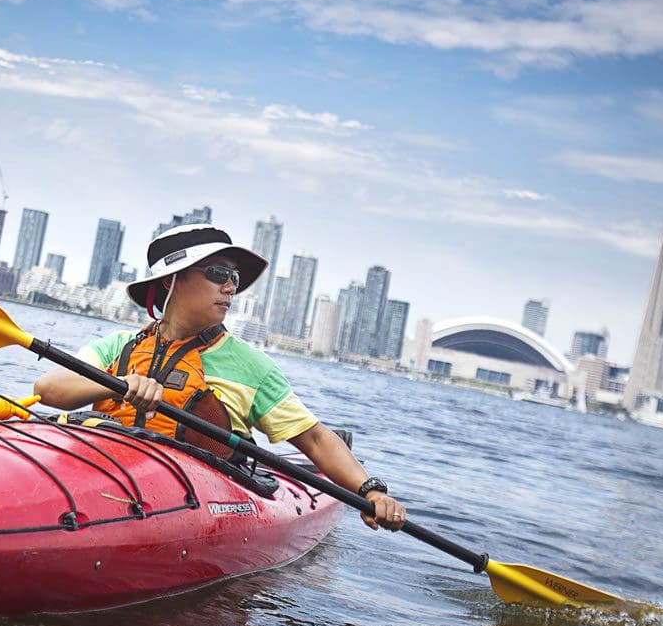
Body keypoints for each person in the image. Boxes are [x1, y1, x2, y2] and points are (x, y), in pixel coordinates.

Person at [34, 223, 407, 531]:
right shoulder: (117, 347)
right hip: (100, 473)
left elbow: (313, 438)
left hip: (190, 500)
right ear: (171, 280)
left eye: (234, 277)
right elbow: (48, 390)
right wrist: (119, 383)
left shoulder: (250, 366)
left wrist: (371, 491)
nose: (231, 287)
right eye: (218, 274)